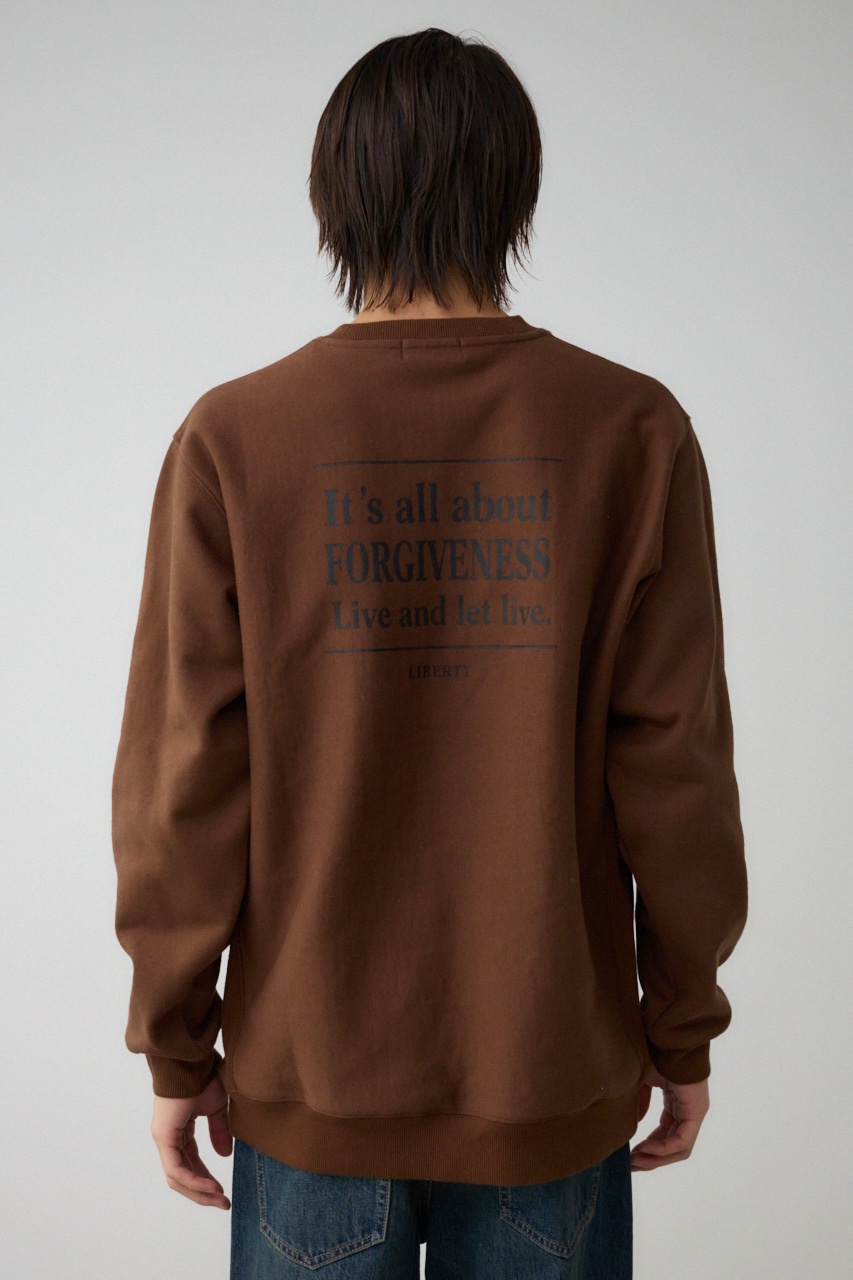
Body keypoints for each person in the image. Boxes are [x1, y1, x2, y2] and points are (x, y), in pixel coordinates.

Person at [111, 27, 748, 1279]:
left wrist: (176, 1048)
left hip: (312, 1080)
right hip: (547, 1077)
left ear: (334, 197)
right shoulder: (631, 431)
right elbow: (678, 772)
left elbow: (182, 782)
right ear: (512, 192)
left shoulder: (235, 438)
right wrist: (682, 1029)